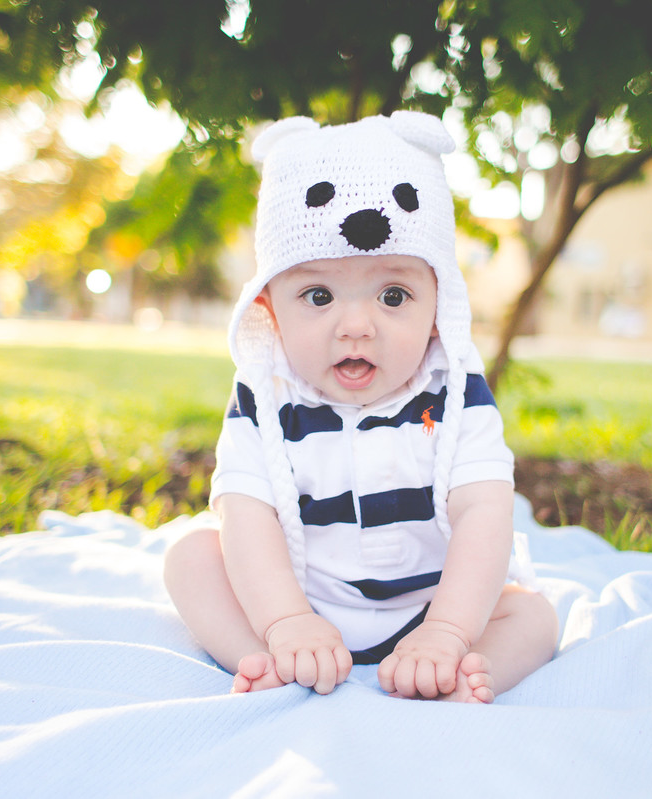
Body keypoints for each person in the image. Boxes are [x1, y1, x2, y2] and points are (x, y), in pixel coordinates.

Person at [164, 112, 558, 703]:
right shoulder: (267, 395)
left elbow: (484, 510)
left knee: (534, 617)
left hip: (432, 605)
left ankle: (465, 674)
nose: (355, 327)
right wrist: (285, 620)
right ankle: (262, 654)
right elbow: (248, 515)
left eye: (393, 296)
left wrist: (448, 632)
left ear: (436, 306)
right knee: (191, 557)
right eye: (317, 296)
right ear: (270, 309)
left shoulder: (454, 391)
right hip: (296, 596)